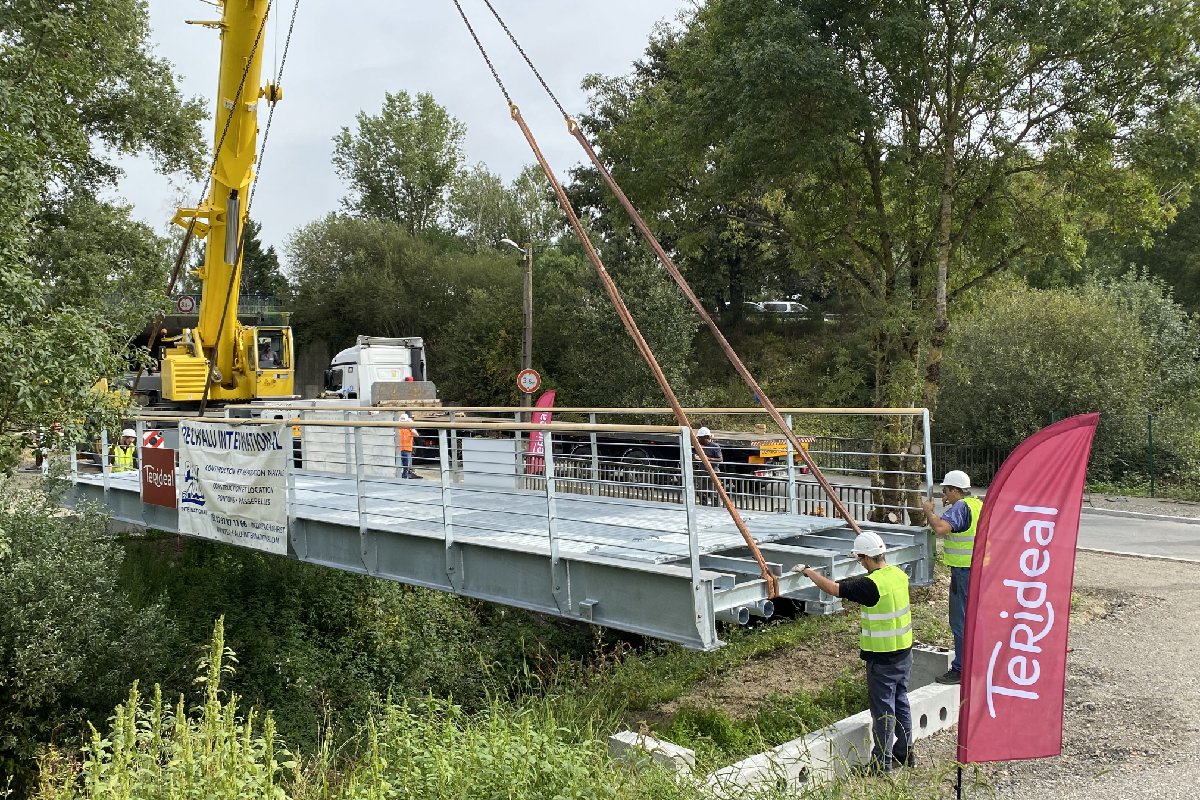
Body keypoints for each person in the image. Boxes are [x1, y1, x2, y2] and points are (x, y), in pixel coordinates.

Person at [796, 532, 914, 773]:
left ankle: (881, 764)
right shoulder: (898, 575)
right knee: (901, 702)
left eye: (860, 559)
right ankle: (905, 753)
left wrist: (808, 571)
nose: (861, 563)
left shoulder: (871, 585)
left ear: (866, 558)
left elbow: (834, 589)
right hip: (904, 653)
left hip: (882, 659)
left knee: (883, 713)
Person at [921, 469, 983, 685]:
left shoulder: (961, 507)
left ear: (956, 490)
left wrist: (929, 511)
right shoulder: (977, 505)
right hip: (980, 569)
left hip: (963, 571)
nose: (944, 495)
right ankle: (976, 663)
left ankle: (960, 669)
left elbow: (940, 528)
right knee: (975, 619)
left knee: (960, 620)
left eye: (946, 490)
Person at [693, 426, 723, 505]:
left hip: (713, 471)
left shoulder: (715, 446)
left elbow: (720, 459)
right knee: (702, 493)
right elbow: (695, 456)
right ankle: (703, 507)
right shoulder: (699, 446)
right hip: (703, 472)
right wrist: (695, 457)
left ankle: (716, 508)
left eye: (700, 438)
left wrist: (708, 459)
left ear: (706, 437)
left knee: (715, 493)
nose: (698, 439)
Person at [396, 413, 417, 479]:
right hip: (399, 449)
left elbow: (416, 434)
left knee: (406, 468)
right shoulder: (397, 427)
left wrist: (411, 427)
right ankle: (400, 478)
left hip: (407, 449)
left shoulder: (410, 428)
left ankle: (404, 479)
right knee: (400, 467)